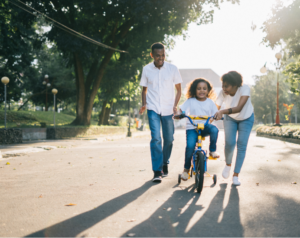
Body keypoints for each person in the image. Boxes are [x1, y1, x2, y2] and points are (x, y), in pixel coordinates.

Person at [139, 42, 182, 183]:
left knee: (169, 139)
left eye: (163, 55)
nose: (161, 58)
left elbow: (179, 89)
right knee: (156, 138)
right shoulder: (146, 69)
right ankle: (157, 171)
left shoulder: (172, 69)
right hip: (152, 109)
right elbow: (144, 89)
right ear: (152, 55)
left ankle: (165, 163)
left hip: (168, 109)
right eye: (157, 56)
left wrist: (175, 105)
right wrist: (144, 104)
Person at [214, 71, 254, 186]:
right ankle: (228, 164)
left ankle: (236, 175)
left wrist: (222, 111)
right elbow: (215, 108)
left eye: (226, 86)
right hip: (230, 119)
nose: (223, 88)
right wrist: (209, 119)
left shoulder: (244, 89)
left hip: (246, 118)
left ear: (235, 85)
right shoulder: (223, 93)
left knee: (241, 144)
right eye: (223, 85)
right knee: (229, 143)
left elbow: (239, 108)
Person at [178, 78, 220, 181]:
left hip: (205, 126)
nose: (202, 91)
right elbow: (181, 110)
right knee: (190, 147)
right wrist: (179, 114)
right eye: (199, 88)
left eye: (204, 89)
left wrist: (216, 116)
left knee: (215, 129)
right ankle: (186, 170)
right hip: (192, 128)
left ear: (208, 90)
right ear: (194, 90)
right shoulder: (190, 101)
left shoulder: (210, 102)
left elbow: (215, 113)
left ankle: (212, 151)